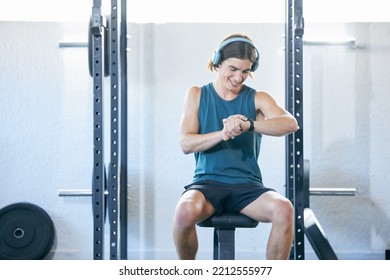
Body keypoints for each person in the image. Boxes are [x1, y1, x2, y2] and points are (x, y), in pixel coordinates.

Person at [172, 33, 299, 260]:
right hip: (206, 185)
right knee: (183, 213)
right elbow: (185, 143)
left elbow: (290, 124)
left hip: (247, 187)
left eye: (245, 71)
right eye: (233, 69)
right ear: (218, 62)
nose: (239, 77)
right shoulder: (197, 94)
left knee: (284, 209)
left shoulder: (258, 98)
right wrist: (223, 133)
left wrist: (248, 125)